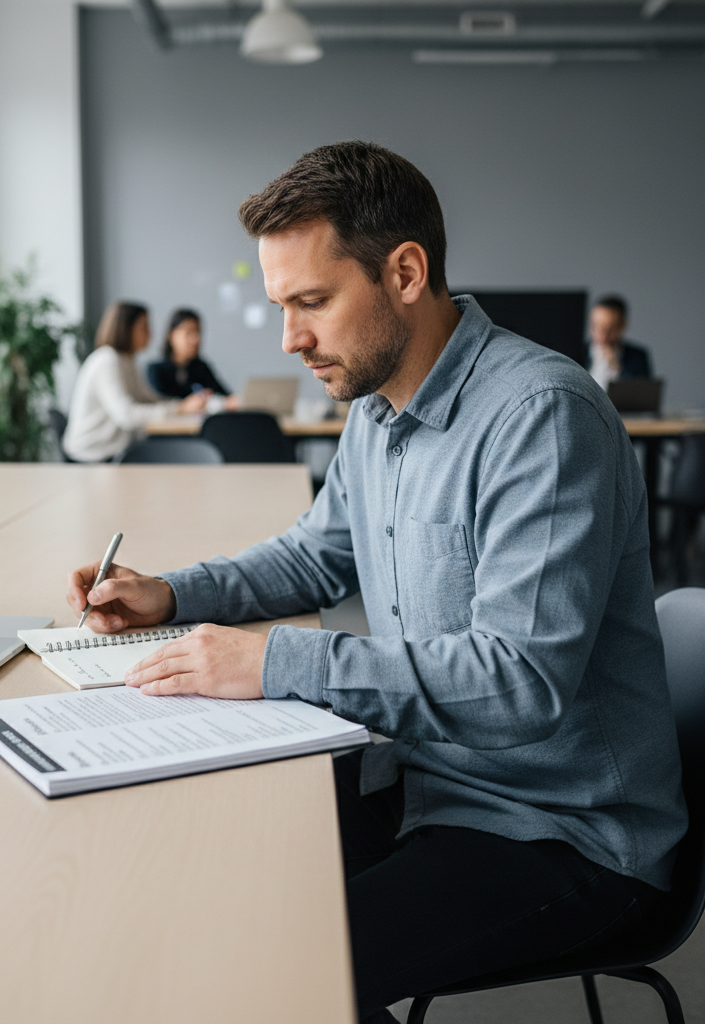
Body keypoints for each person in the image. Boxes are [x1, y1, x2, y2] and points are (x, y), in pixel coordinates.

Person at [66, 142, 686, 1022]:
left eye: (312, 302)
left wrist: (277, 662)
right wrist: (168, 594)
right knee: (199, 892)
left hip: (564, 833)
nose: (290, 339)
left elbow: (520, 682)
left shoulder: (540, 419)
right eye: (283, 306)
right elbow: (316, 554)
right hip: (428, 780)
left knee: (275, 973)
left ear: (404, 272)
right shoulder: (376, 406)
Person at [62, 302, 207, 462]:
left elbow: (149, 399)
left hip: (116, 449)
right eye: (144, 327)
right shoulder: (107, 360)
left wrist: (182, 407)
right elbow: (126, 415)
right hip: (93, 454)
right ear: (126, 328)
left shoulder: (126, 361)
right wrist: (179, 409)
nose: (150, 334)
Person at [146, 308, 238, 409]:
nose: (195, 339)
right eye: (189, 332)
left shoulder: (201, 367)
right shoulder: (156, 370)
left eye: (198, 332)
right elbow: (158, 403)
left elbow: (225, 395)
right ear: (171, 335)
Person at [586, 294, 653, 391]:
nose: (602, 335)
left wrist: (615, 366)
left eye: (609, 329)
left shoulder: (637, 356)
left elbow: (641, 395)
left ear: (623, 326)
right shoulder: (577, 353)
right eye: (595, 326)